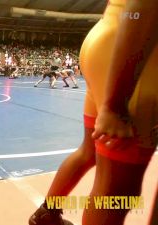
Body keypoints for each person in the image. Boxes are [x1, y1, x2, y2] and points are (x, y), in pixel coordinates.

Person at [28, 0, 158, 225]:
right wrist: (115, 104)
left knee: (89, 150)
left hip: (110, 37)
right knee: (118, 191)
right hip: (137, 50)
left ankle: (46, 215)